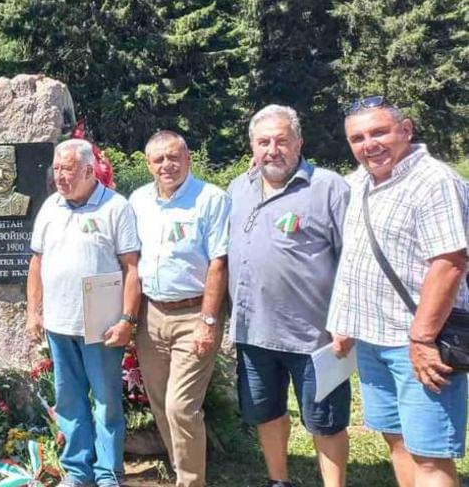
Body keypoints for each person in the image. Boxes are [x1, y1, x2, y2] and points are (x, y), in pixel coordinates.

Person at [328, 97, 469, 487]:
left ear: (406, 129)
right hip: (373, 340)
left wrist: (422, 339)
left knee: (429, 455)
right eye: (358, 138)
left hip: (420, 344)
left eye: (379, 132)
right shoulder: (359, 183)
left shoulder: (435, 182)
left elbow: (449, 263)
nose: (368, 144)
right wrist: (344, 319)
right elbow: (356, 258)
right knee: (398, 441)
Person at [227, 105, 351, 487]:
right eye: (263, 141)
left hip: (315, 336)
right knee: (266, 412)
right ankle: (278, 481)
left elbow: (351, 260)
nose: (272, 149)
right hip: (254, 333)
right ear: (252, 146)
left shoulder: (328, 188)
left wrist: (346, 320)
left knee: (325, 420)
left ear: (299, 142)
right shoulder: (237, 188)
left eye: (282, 140)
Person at [26, 138, 141, 487]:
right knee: (70, 401)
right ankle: (78, 472)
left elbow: (132, 268)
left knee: (106, 404)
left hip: (101, 325)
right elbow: (37, 262)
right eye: (57, 169)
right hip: (60, 324)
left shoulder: (116, 207)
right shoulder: (50, 207)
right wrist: (34, 311)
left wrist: (127, 320)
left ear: (90, 171)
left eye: (69, 169)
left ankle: (108, 475)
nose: (60, 176)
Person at [128, 131, 229, 487]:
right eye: (158, 160)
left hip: (194, 313)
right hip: (151, 314)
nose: (166, 166)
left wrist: (208, 320)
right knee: (160, 403)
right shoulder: (138, 200)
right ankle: (181, 468)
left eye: (173, 158)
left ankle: (190, 481)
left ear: (187, 159)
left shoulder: (211, 199)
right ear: (148, 164)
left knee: (181, 406)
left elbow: (219, 263)